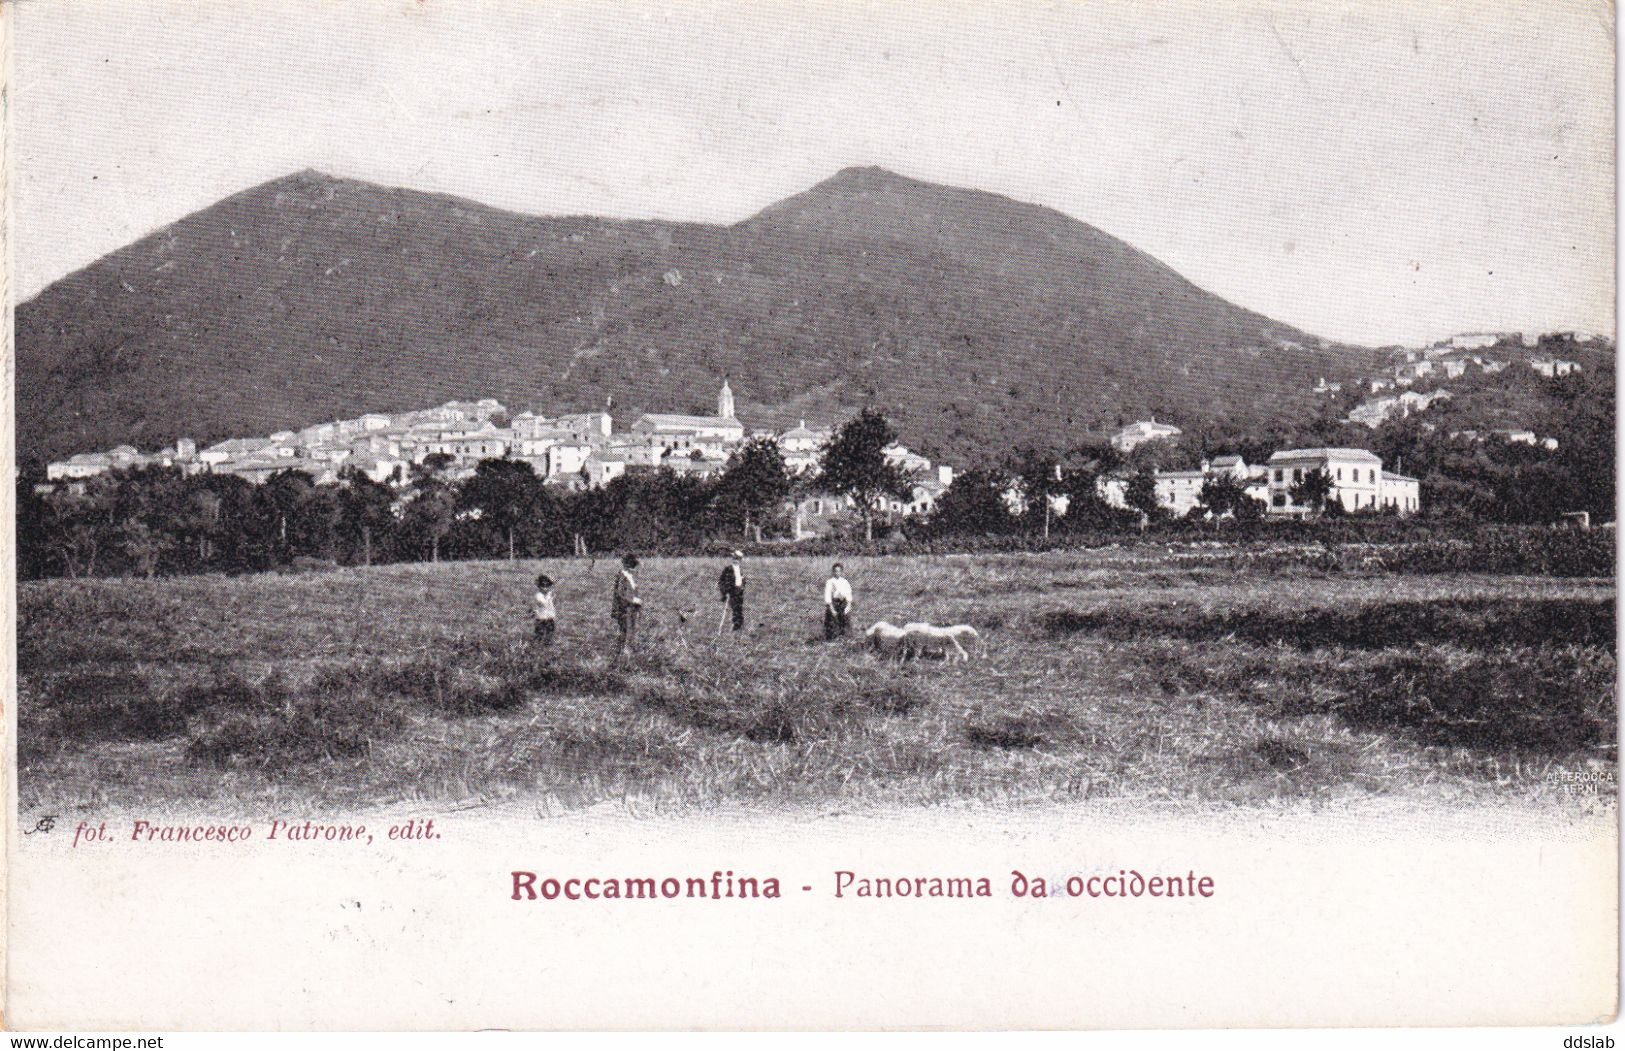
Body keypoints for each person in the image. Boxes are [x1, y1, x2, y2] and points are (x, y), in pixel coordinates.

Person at [612, 555, 642, 655]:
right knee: (626, 628)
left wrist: (637, 601)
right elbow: (620, 594)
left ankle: (630, 647)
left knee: (632, 627)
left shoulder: (632, 576)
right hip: (624, 607)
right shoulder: (622, 576)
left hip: (632, 607)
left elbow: (633, 591)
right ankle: (624, 649)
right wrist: (632, 600)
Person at [717, 549, 746, 632]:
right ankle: (735, 626)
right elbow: (722, 581)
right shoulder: (728, 569)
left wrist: (742, 586)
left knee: (738, 609)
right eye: (735, 558)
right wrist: (725, 591)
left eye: (738, 559)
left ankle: (739, 626)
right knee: (734, 609)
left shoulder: (739, 569)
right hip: (731, 592)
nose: (736, 560)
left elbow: (741, 580)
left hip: (739, 592)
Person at [823, 563, 852, 640]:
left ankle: (845, 637)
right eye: (835, 571)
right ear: (833, 572)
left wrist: (848, 605)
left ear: (841, 572)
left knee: (844, 618)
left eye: (839, 571)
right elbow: (828, 594)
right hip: (834, 603)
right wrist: (831, 608)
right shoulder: (830, 581)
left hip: (843, 603)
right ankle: (832, 638)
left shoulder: (845, 581)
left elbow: (848, 593)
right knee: (833, 619)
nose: (837, 573)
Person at [532, 574, 557, 644]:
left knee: (550, 630)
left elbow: (551, 604)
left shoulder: (549, 593)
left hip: (549, 616)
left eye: (547, 586)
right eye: (543, 586)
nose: (545, 588)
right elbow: (544, 604)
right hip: (541, 617)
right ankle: (537, 642)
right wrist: (550, 597)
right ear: (539, 586)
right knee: (540, 631)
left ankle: (548, 641)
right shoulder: (538, 595)